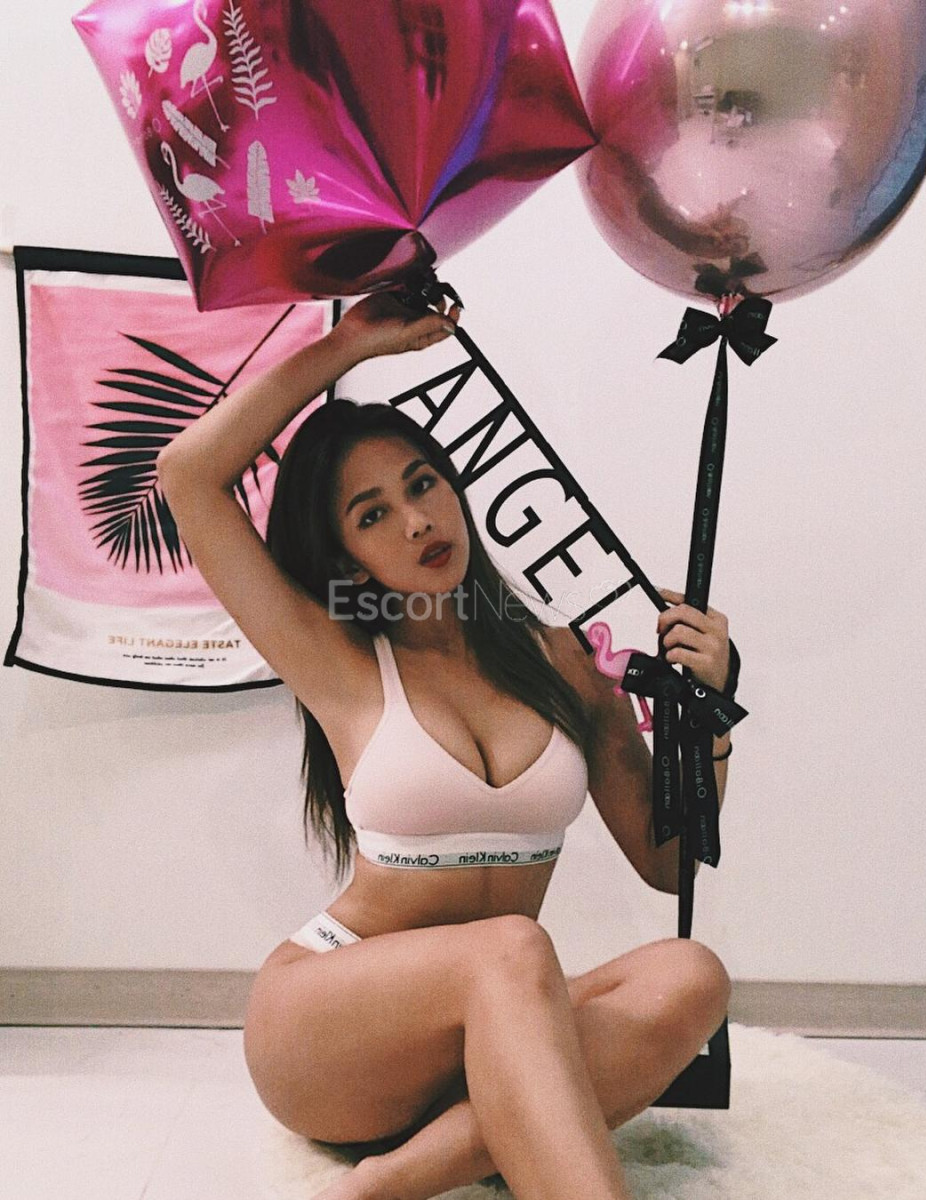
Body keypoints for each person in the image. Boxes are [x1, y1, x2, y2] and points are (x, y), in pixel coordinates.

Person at [156, 292, 735, 1200]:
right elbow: (187, 475)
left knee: (690, 974)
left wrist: (709, 716)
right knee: (512, 946)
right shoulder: (340, 660)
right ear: (345, 559)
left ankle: (387, 1183)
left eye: (423, 485)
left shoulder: (566, 660)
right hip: (331, 1027)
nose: (418, 521)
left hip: (483, 1030)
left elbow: (670, 866)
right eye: (373, 514)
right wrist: (350, 345)